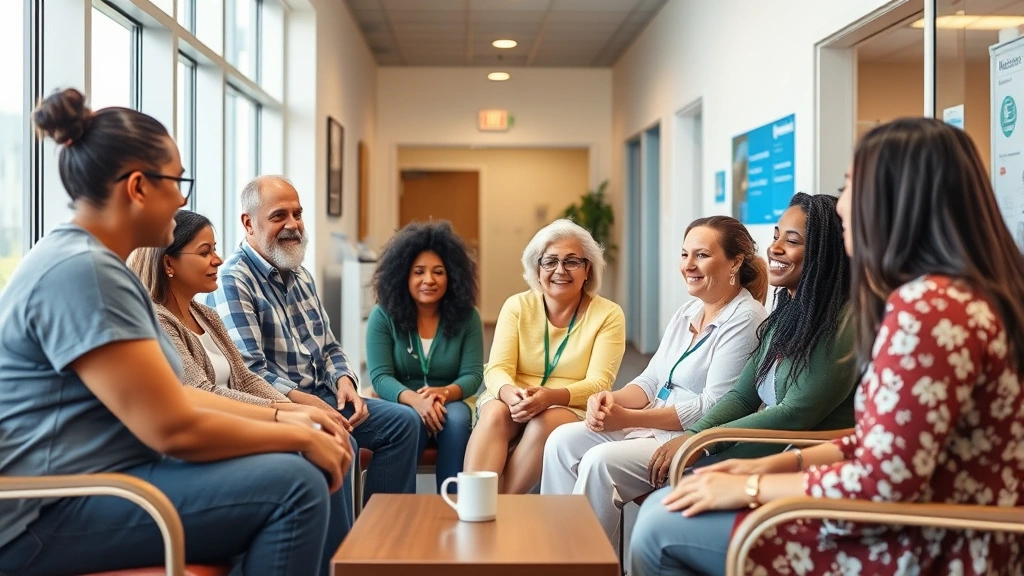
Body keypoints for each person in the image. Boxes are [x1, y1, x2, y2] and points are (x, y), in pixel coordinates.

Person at [630, 118, 1024, 576]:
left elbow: (884, 479)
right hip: (939, 522)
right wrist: (777, 467)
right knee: (674, 508)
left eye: (851, 184)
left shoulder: (928, 310)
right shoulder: (966, 296)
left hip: (927, 543)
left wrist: (754, 487)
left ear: (896, 199)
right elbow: (884, 443)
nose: (842, 208)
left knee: (660, 526)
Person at [0, 88, 351, 576]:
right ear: (139, 187)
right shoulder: (85, 272)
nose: (183, 198)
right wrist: (292, 434)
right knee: (295, 485)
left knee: (296, 466)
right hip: (46, 512)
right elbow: (171, 426)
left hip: (101, 482)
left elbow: (177, 398)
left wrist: (283, 421)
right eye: (176, 181)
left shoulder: (98, 267)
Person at [127, 210, 357, 548]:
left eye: (215, 249)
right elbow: (201, 391)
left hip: (242, 417)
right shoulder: (158, 321)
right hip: (214, 434)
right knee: (313, 452)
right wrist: (290, 414)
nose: (217, 259)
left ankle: (341, 555)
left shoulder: (206, 315)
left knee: (337, 437)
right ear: (169, 263)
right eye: (205, 252)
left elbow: (246, 379)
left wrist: (293, 409)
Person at [541, 215, 768, 544]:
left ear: (735, 263)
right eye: (684, 254)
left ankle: (588, 564)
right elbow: (651, 380)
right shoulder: (688, 311)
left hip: (694, 441)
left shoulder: (745, 319)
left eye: (701, 255)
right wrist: (611, 400)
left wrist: (630, 418)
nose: (688, 265)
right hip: (651, 427)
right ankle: (557, 551)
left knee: (598, 463)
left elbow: (713, 407)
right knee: (562, 442)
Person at [207, 174, 420, 503]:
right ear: (248, 224)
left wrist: (345, 380)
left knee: (404, 423)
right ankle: (339, 551)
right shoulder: (233, 281)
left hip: (323, 395)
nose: (293, 224)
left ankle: (383, 534)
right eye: (279, 215)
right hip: (279, 405)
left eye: (298, 213)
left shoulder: (300, 274)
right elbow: (248, 373)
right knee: (338, 441)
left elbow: (330, 347)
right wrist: (315, 407)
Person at [650, 192, 856, 474]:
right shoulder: (786, 314)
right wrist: (696, 437)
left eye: (792, 241)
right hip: (773, 447)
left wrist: (702, 442)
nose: (775, 248)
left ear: (826, 252)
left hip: (805, 464)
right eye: (776, 237)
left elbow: (793, 415)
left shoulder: (841, 324)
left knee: (675, 492)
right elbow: (742, 396)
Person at [463, 219, 626, 494]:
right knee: (493, 413)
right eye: (550, 261)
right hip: (515, 398)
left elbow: (599, 383)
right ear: (537, 270)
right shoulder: (517, 306)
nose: (560, 270)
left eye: (572, 261)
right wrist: (509, 393)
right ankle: (473, 505)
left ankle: (498, 507)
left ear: (588, 269)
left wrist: (550, 397)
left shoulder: (608, 314)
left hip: (569, 404)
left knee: (545, 421)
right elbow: (497, 368)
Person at [365, 220, 484, 493]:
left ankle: (453, 506)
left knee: (455, 422)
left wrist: (443, 393)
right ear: (403, 275)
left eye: (438, 272)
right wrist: (416, 401)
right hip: (400, 399)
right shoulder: (383, 315)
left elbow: (473, 374)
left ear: (452, 276)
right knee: (410, 421)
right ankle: (397, 514)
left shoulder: (469, 317)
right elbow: (380, 376)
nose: (428, 280)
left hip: (451, 399)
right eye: (418, 272)